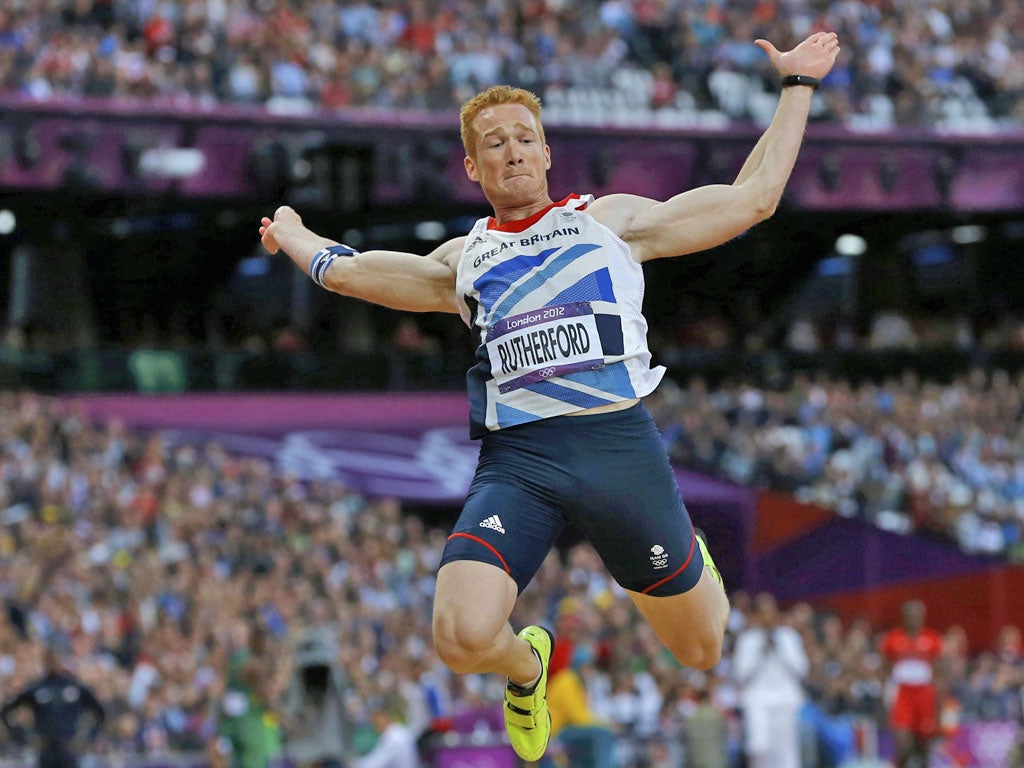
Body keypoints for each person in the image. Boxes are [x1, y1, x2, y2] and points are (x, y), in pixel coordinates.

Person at [260, 30, 840, 763]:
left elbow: (753, 200)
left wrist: (797, 89)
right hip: (522, 462)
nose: (511, 151)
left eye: (523, 138)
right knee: (461, 637)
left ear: (546, 153)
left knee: (700, 648)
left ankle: (689, 554)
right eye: (493, 143)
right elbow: (350, 272)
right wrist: (293, 231)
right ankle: (527, 669)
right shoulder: (463, 260)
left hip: (618, 449)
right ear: (472, 165)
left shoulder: (610, 223)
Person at [733, 592, 809, 768]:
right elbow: (740, 676)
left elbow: (802, 670)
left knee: (786, 749)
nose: (768, 617)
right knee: (758, 748)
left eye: (771, 612)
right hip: (758, 700)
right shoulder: (747, 640)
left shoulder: (788, 637)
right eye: (763, 612)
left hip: (785, 699)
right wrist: (761, 652)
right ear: (757, 615)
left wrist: (780, 649)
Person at [0, 644, 106, 768]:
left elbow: (100, 713)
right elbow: (6, 711)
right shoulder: (36, 688)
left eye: (56, 659)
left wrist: (87, 737)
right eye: (49, 659)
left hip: (69, 749)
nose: (53, 663)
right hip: (45, 750)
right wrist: (24, 736)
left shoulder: (75, 686)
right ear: (44, 662)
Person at [880, 599, 943, 768]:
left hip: (924, 695)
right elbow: (885, 670)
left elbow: (938, 673)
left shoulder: (932, 639)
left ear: (923, 616)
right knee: (903, 745)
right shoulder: (893, 639)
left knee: (923, 747)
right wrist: (885, 697)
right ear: (903, 617)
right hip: (903, 695)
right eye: (910, 615)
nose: (914, 619)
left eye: (917, 615)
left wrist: (938, 703)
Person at [354, 695, 420, 768]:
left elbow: (374, 764)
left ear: (385, 715)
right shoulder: (400, 730)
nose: (373, 723)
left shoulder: (393, 737)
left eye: (376, 718)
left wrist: (354, 764)